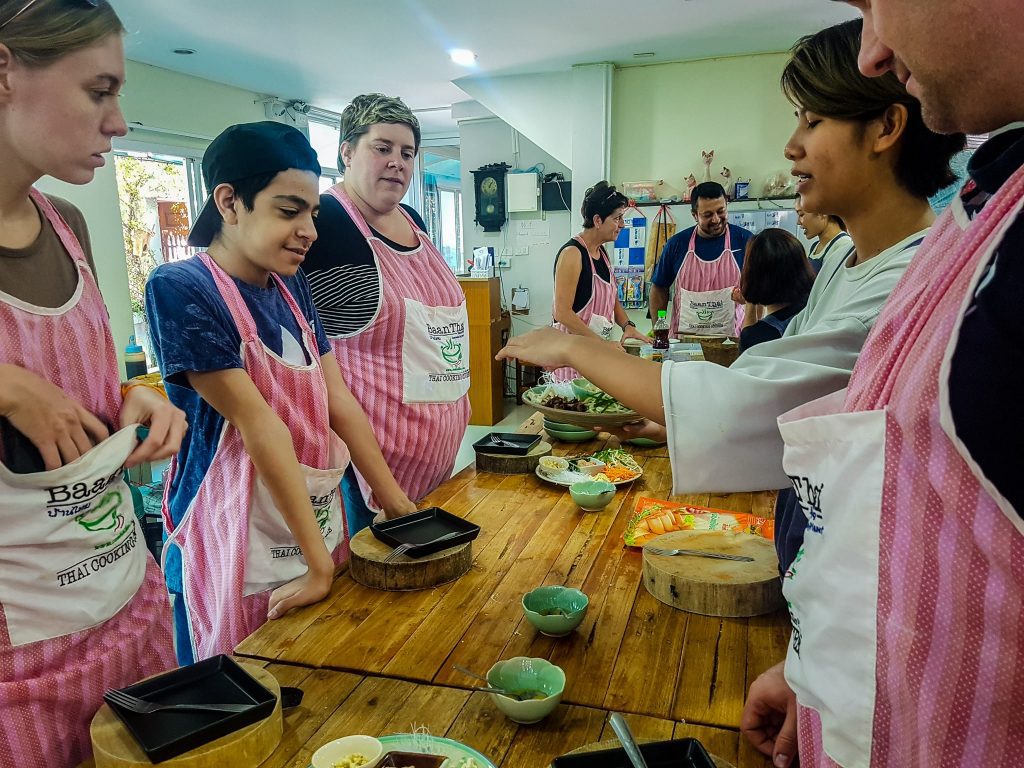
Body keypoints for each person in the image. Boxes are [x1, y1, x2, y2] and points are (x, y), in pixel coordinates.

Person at [498, 19, 963, 495]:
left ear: (886, 127)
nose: (791, 146)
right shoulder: (848, 268)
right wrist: (675, 421)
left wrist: (575, 347)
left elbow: (749, 399)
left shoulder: (909, 283)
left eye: (813, 120)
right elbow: (777, 388)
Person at [741, 1, 1024, 766]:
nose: (874, 51)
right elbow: (910, 530)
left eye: (878, 4)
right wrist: (818, 675)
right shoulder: (986, 213)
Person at [146, 121, 415, 665]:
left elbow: (338, 402)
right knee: (239, 683)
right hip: (229, 533)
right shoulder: (182, 288)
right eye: (288, 211)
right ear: (229, 201)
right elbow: (260, 425)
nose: (309, 230)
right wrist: (318, 567)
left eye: (313, 213)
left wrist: (400, 506)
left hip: (306, 513)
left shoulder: (290, 286)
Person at [0, 1, 184, 765]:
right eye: (99, 91)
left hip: (128, 615)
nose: (118, 121)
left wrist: (133, 398)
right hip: (19, 673)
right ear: (4, 72)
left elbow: (80, 383)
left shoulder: (66, 223)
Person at [301, 94, 469, 536]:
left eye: (407, 153)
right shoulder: (327, 224)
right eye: (383, 148)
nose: (397, 162)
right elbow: (306, 348)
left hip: (436, 455)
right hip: (371, 474)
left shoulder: (412, 219)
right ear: (347, 151)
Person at [549, 181, 649, 379]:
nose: (622, 224)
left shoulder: (602, 253)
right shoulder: (573, 254)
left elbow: (612, 299)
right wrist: (602, 345)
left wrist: (628, 326)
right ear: (597, 220)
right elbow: (561, 312)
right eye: (617, 218)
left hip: (594, 357)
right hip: (571, 362)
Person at [649, 181, 753, 338]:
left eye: (721, 211)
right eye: (708, 215)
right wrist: (659, 331)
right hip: (684, 344)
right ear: (694, 215)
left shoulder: (745, 241)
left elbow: (761, 290)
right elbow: (659, 288)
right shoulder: (677, 245)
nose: (716, 219)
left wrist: (749, 298)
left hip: (732, 344)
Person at [737, 229, 816, 351]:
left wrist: (750, 298)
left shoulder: (757, 337)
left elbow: (747, 348)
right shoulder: (814, 308)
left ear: (753, 275)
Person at [794, 196, 849, 273]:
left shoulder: (844, 246)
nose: (798, 222)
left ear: (822, 213)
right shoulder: (815, 246)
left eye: (801, 214)